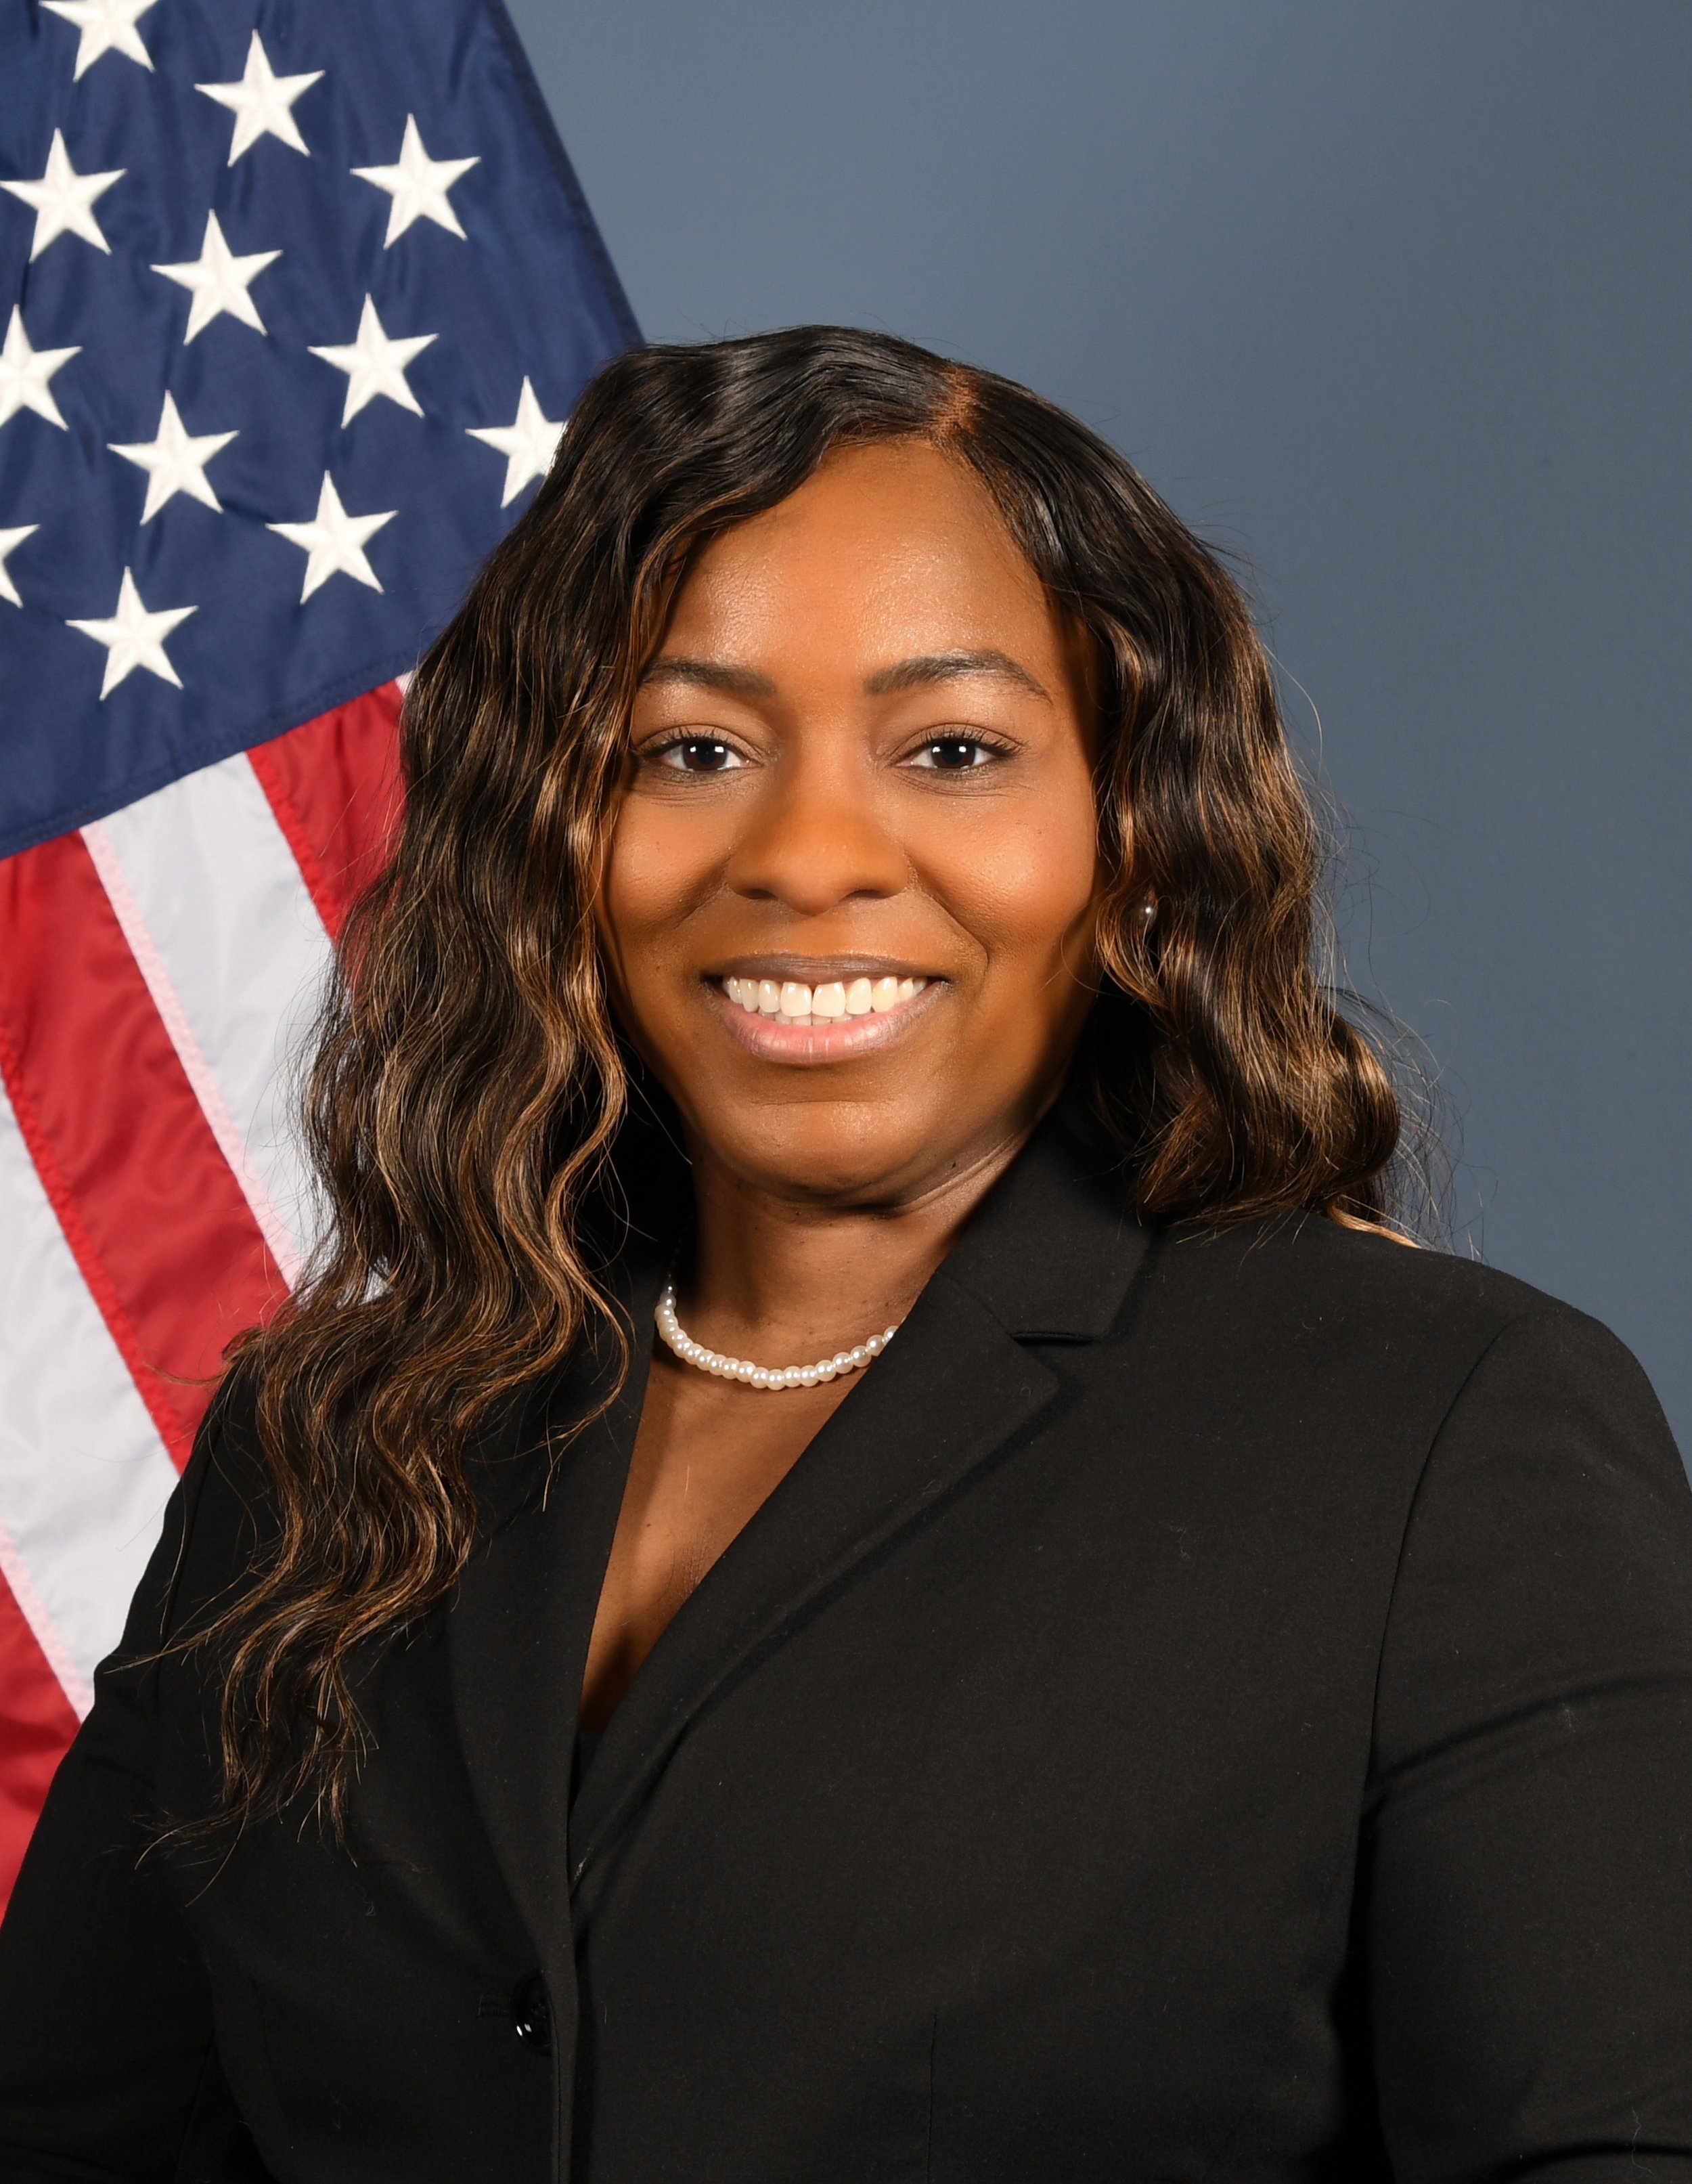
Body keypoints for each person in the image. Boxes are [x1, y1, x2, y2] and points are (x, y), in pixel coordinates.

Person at [1, 326, 1689, 2184]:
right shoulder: (322, 1444)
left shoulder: (1444, 1434)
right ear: (557, 840)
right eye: (691, 747)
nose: (809, 853)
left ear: (1131, 838)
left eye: (951, 748)